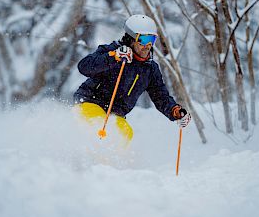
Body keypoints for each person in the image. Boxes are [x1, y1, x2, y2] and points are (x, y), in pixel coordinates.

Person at [73, 14, 191, 144]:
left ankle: (111, 163)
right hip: (89, 102)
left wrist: (173, 110)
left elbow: (160, 96)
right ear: (131, 39)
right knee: (98, 126)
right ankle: (87, 158)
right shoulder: (113, 51)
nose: (148, 45)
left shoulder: (150, 69)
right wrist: (113, 57)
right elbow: (84, 66)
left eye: (152, 39)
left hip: (115, 114)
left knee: (125, 135)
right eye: (144, 40)